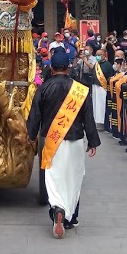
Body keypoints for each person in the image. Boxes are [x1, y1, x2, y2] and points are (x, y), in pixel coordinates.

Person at [26, 50, 100, 239]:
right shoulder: (80, 89)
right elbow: (88, 118)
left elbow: (35, 115)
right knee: (73, 178)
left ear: (51, 68)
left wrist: (31, 135)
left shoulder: (43, 88)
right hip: (74, 141)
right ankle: (71, 217)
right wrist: (92, 141)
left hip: (51, 143)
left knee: (54, 179)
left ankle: (57, 210)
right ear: (69, 67)